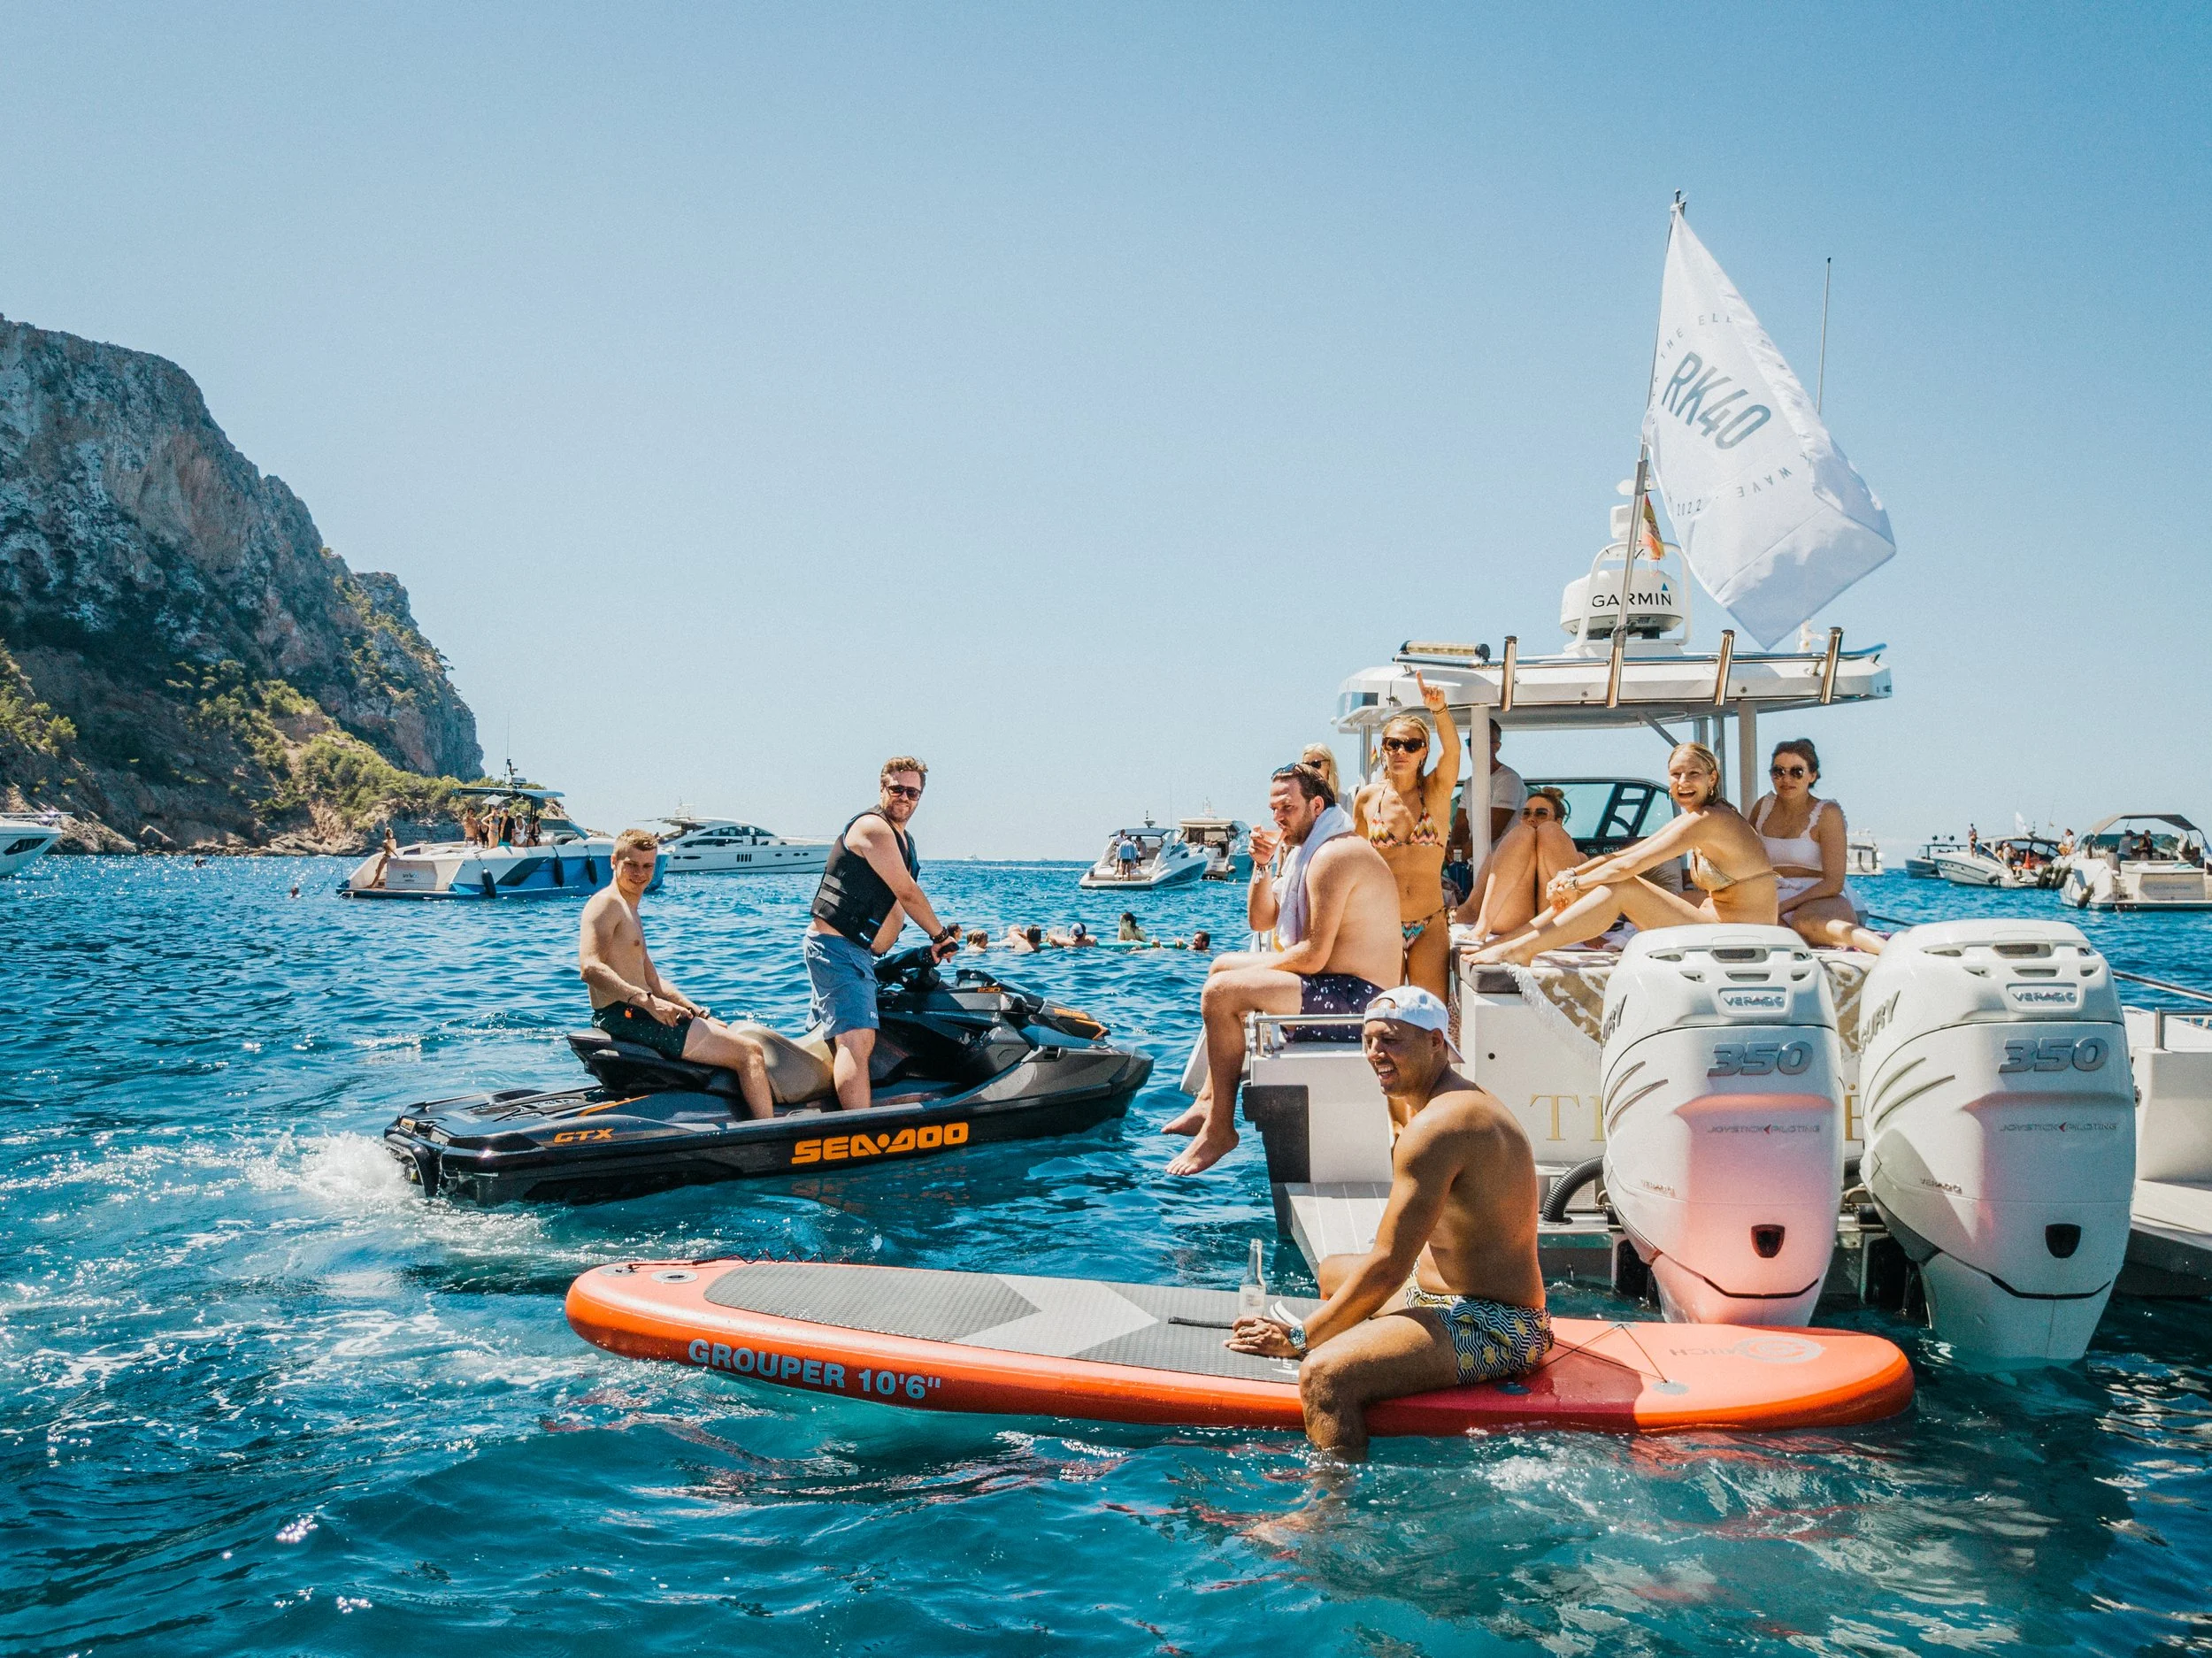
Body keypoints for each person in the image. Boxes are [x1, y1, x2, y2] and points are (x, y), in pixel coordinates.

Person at [1226, 986, 1548, 1457]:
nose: (1376, 1052)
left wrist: (1299, 1340)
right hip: (1436, 1294)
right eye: (1369, 1040)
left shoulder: (1440, 1126)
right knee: (1333, 1270)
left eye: (1392, 1040)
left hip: (1496, 1324)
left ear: (1437, 1042)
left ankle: (1328, 1517)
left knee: (1324, 1377)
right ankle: (1374, 1363)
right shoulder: (1452, 1103)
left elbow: (1387, 1266)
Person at [1164, 760, 1401, 1176]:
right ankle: (1207, 1103)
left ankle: (1220, 1129)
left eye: (1287, 807)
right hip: (1337, 984)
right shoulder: (1304, 853)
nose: (1278, 817)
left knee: (1222, 991)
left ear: (1316, 805)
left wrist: (1245, 980)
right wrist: (1262, 864)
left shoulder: (1334, 855)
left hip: (1364, 1001)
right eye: (1273, 809)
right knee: (1221, 967)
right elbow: (1261, 921)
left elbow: (1312, 956)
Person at [1471, 742, 1777, 964]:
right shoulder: (1698, 817)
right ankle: (1513, 943)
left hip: (1739, 941)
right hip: (1714, 926)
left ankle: (1520, 949)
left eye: (1693, 774)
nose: (1682, 782)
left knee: (1622, 886)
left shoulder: (1713, 821)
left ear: (1712, 779)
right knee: (1615, 881)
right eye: (1675, 774)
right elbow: (1626, 853)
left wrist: (1575, 884)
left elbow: (1632, 865)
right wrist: (1571, 875)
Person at [581, 829, 773, 1119]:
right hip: (627, 1016)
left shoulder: (629, 909)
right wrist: (647, 1002)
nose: (640, 873)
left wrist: (698, 1013)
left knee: (732, 1031)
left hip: (638, 1011)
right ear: (613, 861)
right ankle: (768, 1133)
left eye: (647, 866)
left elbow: (654, 982)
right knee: (750, 1052)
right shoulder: (606, 904)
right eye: (631, 865)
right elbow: (590, 968)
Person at [804, 757, 961, 1110]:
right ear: (882, 788)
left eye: (913, 792)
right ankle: (856, 1128)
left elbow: (895, 904)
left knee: (839, 1039)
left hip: (856, 953)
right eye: (897, 789)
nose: (904, 797)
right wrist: (939, 935)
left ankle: (817, 1104)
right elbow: (907, 893)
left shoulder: (904, 840)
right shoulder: (872, 828)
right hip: (838, 948)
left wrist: (928, 948)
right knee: (856, 1041)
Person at [1350, 673, 1460, 998]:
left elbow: (1453, 753)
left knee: (1430, 1015)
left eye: (1411, 745)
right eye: (1393, 744)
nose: (1401, 751)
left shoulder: (1437, 792)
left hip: (1429, 922)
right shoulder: (1367, 799)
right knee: (1386, 1012)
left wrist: (1440, 711)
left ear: (1423, 752)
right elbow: (1355, 862)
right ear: (1383, 749)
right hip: (1380, 923)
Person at [1750, 741, 1886, 955]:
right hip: (1771, 893)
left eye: (1797, 772)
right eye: (1779, 771)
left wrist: (1784, 907)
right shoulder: (1763, 807)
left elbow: (1834, 883)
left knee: (1805, 923)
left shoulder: (1827, 813)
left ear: (1812, 775)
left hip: (1818, 897)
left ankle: (1889, 950)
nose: (1786, 779)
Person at [1456, 786, 1579, 941]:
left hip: (1556, 921)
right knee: (1521, 833)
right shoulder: (1498, 857)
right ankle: (1483, 926)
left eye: (1541, 813)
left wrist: (1593, 933)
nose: (1531, 818)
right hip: (1512, 922)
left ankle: (1575, 921)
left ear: (1559, 821)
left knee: (1549, 831)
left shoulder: (1578, 857)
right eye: (1525, 813)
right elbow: (1472, 908)